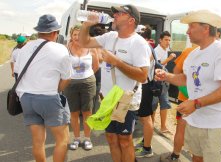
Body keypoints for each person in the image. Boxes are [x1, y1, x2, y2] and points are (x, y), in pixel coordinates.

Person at [157, 10, 221, 162]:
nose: (187, 31)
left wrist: (196, 103)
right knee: (196, 158)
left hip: (216, 125)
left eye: (191, 27)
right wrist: (167, 76)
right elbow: (186, 79)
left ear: (206, 28)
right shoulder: (193, 54)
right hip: (195, 121)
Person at [79, 4, 150, 162]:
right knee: (111, 138)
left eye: (119, 13)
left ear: (131, 20)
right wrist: (86, 24)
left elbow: (143, 76)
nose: (115, 15)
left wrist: (116, 62)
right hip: (107, 100)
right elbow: (84, 42)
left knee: (125, 141)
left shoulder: (138, 43)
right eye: (115, 13)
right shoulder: (110, 36)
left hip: (125, 101)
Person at [15, 14, 71, 162]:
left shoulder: (24, 48)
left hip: (26, 98)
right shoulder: (60, 49)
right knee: (63, 139)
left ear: (39, 31)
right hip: (48, 97)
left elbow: (17, 73)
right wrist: (56, 90)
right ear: (54, 32)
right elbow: (66, 78)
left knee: (38, 141)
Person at [64, 24, 99, 150]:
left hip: (88, 83)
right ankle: (77, 138)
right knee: (73, 112)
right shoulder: (65, 48)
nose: (77, 37)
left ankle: (87, 139)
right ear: (71, 36)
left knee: (87, 112)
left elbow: (96, 66)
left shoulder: (91, 48)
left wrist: (86, 77)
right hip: (70, 84)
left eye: (80, 34)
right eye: (74, 34)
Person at [163, 46, 197, 162]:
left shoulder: (190, 50)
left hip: (185, 98)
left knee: (181, 128)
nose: (188, 32)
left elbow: (176, 71)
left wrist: (184, 89)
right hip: (206, 100)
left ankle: (175, 156)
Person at [135, 25, 155, 158]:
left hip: (145, 86)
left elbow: (141, 68)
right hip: (145, 85)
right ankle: (145, 142)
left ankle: (147, 148)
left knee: (145, 118)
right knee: (145, 117)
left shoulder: (144, 47)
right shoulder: (148, 47)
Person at [152, 31, 176, 133]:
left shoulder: (164, 49)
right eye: (166, 40)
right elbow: (158, 64)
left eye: (169, 40)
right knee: (153, 104)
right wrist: (169, 58)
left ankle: (163, 127)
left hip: (163, 80)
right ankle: (151, 125)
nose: (168, 42)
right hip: (156, 81)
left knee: (165, 103)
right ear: (160, 40)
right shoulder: (156, 50)